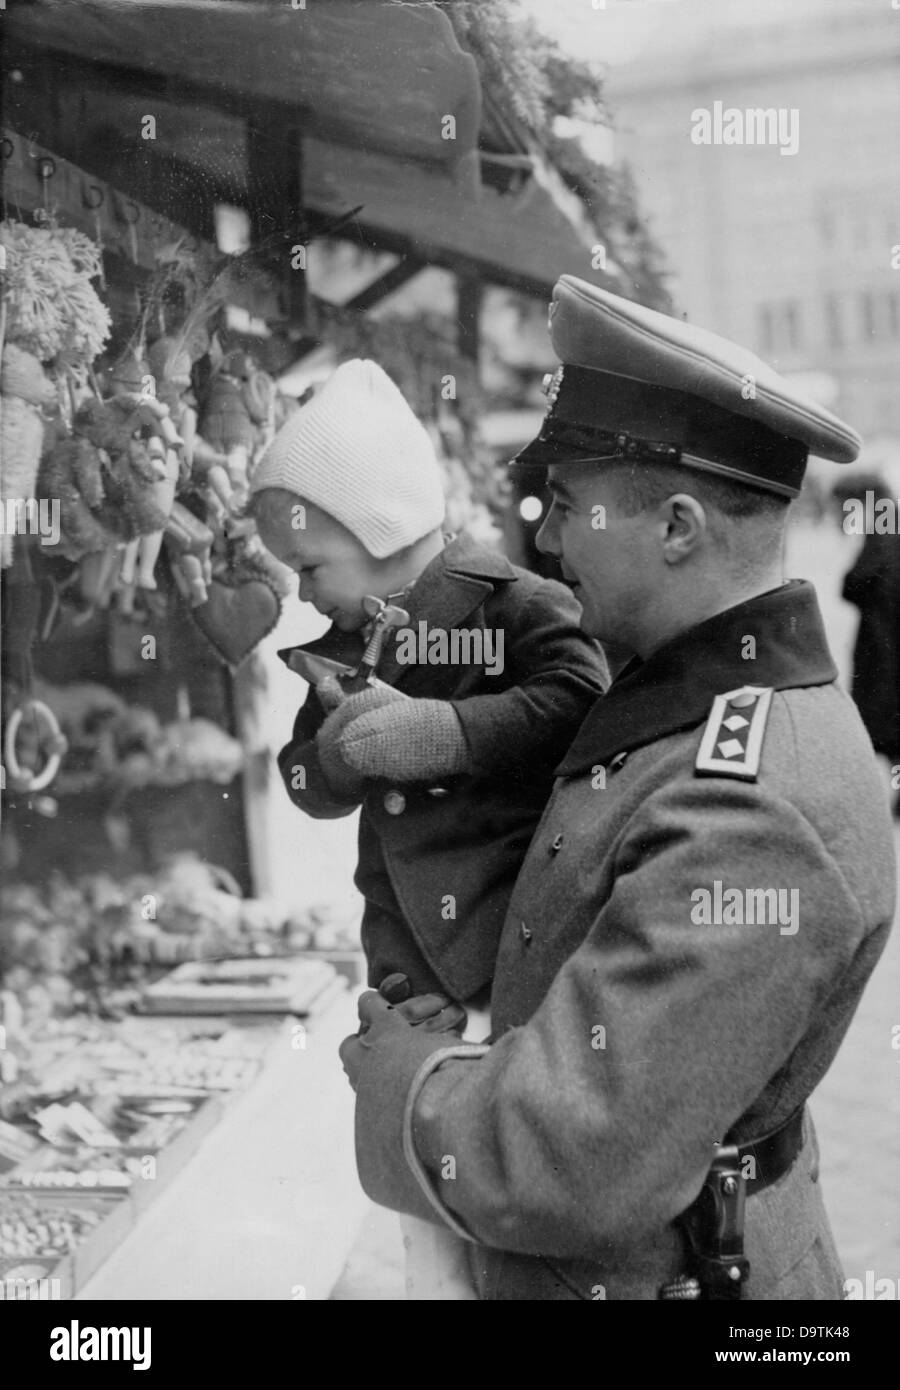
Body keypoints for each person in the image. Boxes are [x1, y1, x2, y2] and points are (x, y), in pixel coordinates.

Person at [339, 279, 897, 1301]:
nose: (546, 540)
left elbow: (572, 1155)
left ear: (677, 525)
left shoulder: (754, 802)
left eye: (567, 505)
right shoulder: (683, 703)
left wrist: (397, 1076)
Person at [250, 357, 609, 1294]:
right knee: (429, 1244)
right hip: (410, 984)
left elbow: (584, 700)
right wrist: (330, 759)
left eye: (308, 566)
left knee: (519, 1231)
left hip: (513, 975)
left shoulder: (515, 603)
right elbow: (300, 778)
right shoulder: (337, 644)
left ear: (377, 524)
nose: (300, 594)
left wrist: (449, 732)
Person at [841, 503, 900, 819]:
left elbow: (853, 584)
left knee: (874, 733)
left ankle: (871, 804)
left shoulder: (885, 526)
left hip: (881, 653)